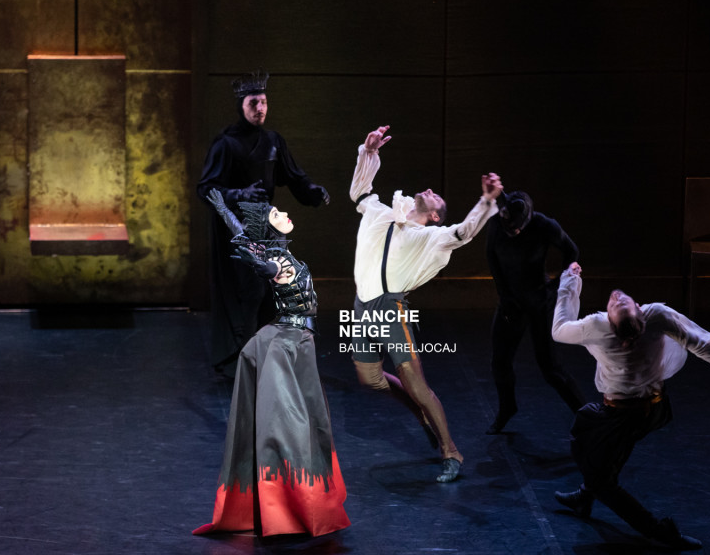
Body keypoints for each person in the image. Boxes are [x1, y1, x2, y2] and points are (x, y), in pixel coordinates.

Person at [550, 261, 710, 550]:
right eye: (619, 303)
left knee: (597, 466)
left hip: (621, 414)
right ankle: (585, 495)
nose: (618, 298)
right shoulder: (657, 317)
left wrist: (570, 281)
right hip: (652, 409)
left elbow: (559, 329)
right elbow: (702, 342)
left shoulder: (595, 327)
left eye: (620, 304)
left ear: (628, 314)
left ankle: (659, 531)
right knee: (603, 446)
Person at [348, 125, 502, 483]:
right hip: (362, 304)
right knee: (369, 378)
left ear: (435, 215)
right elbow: (360, 193)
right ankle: (421, 414)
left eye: (436, 198)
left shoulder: (431, 237)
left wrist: (487, 201)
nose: (429, 191)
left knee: (415, 382)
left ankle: (451, 450)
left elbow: (463, 232)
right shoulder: (380, 212)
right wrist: (369, 153)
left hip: (391, 309)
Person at [194, 191, 349, 538]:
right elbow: (269, 266)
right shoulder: (276, 260)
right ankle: (291, 501)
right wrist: (262, 267)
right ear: (269, 226)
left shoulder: (275, 250)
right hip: (287, 345)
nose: (285, 214)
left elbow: (248, 237)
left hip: (296, 341)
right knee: (289, 423)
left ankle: (289, 499)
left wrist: (223, 210)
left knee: (309, 419)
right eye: (277, 213)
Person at [197, 70, 330, 377]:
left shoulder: (272, 141)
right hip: (236, 229)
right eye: (254, 102)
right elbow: (206, 189)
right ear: (242, 105)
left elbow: (293, 177)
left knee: (270, 290)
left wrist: (311, 192)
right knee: (246, 292)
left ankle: (265, 354)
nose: (260, 108)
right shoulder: (226, 144)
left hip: (264, 226)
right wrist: (237, 194)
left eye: (264, 102)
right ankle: (243, 357)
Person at [484, 190, 585, 434]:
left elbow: (572, 252)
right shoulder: (496, 222)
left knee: (549, 368)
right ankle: (507, 408)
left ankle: (586, 415)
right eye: (510, 229)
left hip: (540, 301)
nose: (513, 233)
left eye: (517, 230)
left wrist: (556, 286)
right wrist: (504, 295)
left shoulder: (544, 225)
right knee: (500, 361)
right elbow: (492, 258)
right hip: (511, 302)